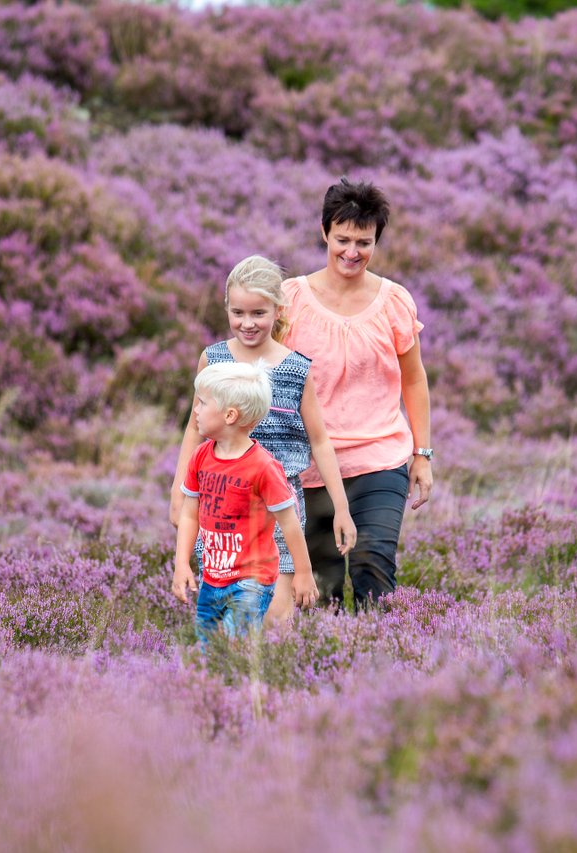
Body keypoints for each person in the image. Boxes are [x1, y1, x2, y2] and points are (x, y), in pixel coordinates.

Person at [170, 255, 356, 626]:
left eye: (258, 313)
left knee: (273, 616)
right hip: (221, 506)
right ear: (226, 308)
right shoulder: (214, 360)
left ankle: (270, 680)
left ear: (277, 309)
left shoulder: (295, 369)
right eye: (238, 312)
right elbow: (194, 427)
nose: (247, 323)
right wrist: (179, 491)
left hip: (278, 508)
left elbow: (319, 441)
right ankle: (228, 680)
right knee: (225, 614)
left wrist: (341, 507)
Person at [281, 178, 433, 609]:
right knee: (319, 584)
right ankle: (322, 666)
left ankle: (381, 662)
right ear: (325, 232)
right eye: (342, 239)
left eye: (363, 242)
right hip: (307, 466)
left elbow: (415, 379)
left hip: (379, 459)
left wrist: (422, 454)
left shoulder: (394, 302)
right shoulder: (289, 301)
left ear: (376, 241)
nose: (351, 252)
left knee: (373, 565)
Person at [172, 361, 319, 641]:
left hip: (252, 580)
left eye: (202, 403)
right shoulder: (200, 458)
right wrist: (181, 564)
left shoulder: (264, 467)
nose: (196, 410)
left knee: (236, 644)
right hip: (212, 578)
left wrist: (303, 572)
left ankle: (248, 684)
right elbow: (190, 514)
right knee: (210, 651)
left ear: (229, 415)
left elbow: (290, 524)